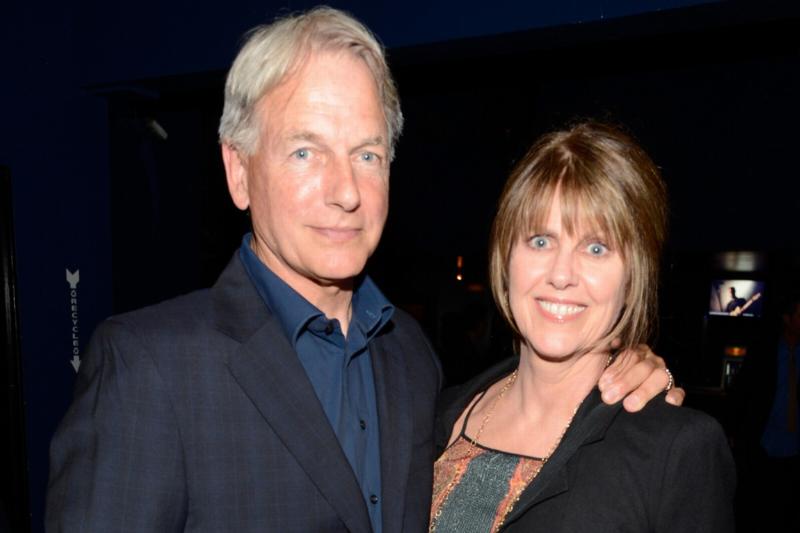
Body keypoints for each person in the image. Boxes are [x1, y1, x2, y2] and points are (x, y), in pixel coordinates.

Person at [46, 8, 682, 532]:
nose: (345, 190)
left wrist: (626, 361)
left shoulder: (411, 361)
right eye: (305, 151)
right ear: (239, 171)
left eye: (367, 154)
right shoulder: (148, 369)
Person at [431, 122, 735, 532]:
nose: (561, 274)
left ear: (633, 277)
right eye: (540, 241)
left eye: (595, 248)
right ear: (506, 258)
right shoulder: (435, 415)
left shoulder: (674, 450)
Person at [731, 291, 800, 532]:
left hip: (795, 453)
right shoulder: (765, 353)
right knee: (757, 514)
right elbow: (742, 394)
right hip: (763, 450)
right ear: (787, 318)